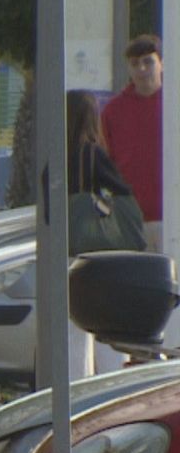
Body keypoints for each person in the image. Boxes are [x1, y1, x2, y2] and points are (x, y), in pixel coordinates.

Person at [68, 90, 136, 379]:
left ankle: (73, 387)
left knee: (72, 329)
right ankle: (109, 385)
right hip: (96, 251)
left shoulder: (56, 155)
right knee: (108, 321)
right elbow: (122, 192)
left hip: (66, 245)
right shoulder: (93, 153)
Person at [101, 34, 163, 249]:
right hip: (130, 220)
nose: (142, 69)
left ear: (161, 64)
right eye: (135, 64)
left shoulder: (174, 101)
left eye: (148, 61)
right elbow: (106, 162)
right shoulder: (113, 111)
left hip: (173, 219)